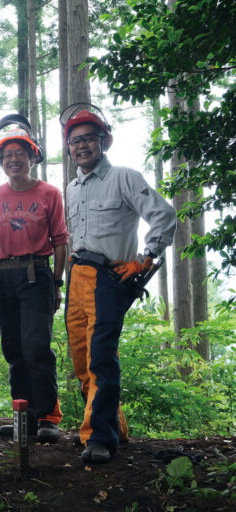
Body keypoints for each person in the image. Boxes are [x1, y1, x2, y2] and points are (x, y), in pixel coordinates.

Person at [61, 103, 176, 463]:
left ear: (103, 141)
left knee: (101, 358)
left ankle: (99, 438)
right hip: (76, 277)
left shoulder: (124, 177)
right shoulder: (72, 188)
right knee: (81, 359)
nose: (82, 146)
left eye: (89, 138)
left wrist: (146, 258)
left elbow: (164, 215)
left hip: (107, 279)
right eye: (75, 141)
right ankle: (112, 426)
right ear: (69, 148)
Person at [0, 119, 68, 442]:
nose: (14, 160)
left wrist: (56, 282)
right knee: (13, 348)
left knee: (36, 347)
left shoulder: (49, 193)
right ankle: (24, 416)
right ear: (1, 162)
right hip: (4, 275)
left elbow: (60, 241)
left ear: (32, 158)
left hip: (36, 273)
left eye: (20, 154)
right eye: (8, 156)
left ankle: (47, 417)